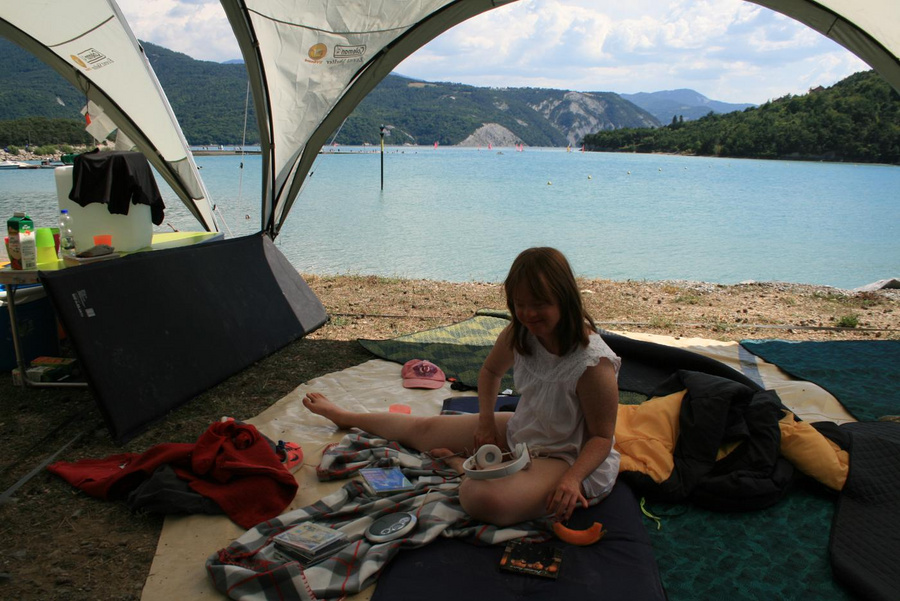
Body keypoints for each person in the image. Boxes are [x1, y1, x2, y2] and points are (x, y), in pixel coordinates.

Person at [303, 247, 620, 527]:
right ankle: (346, 416)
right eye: (520, 304)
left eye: (539, 304)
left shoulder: (593, 363)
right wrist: (486, 422)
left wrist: (572, 480)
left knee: (482, 498)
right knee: (425, 429)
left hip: (566, 456)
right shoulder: (521, 332)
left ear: (564, 299)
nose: (528, 314)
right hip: (525, 429)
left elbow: (601, 438)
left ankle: (459, 466)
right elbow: (490, 372)